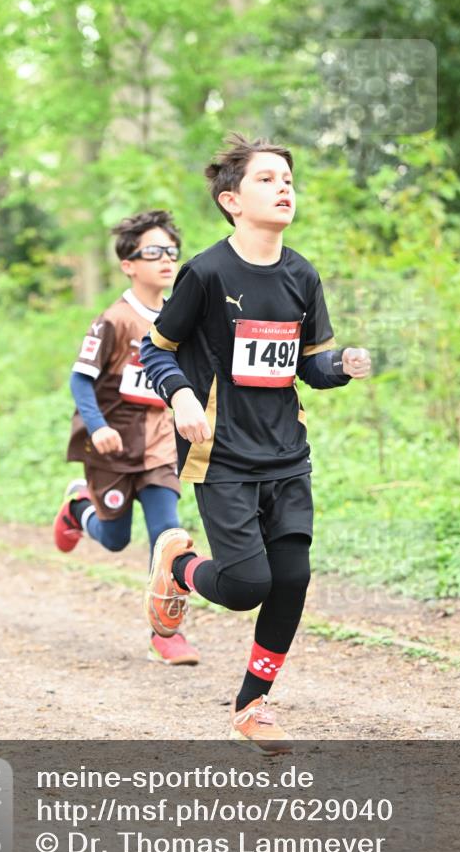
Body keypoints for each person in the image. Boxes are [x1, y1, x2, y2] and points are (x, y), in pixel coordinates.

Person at [140, 135, 371, 751]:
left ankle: (253, 703)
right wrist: (182, 396)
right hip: (224, 456)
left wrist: (343, 364)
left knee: (291, 577)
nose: (284, 187)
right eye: (267, 179)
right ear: (232, 200)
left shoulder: (301, 274)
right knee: (245, 588)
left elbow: (309, 369)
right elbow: (154, 350)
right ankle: (179, 566)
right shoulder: (207, 272)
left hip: (287, 455)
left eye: (287, 178)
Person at [54, 210, 199, 667]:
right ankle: (79, 507)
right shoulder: (113, 321)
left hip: (159, 446)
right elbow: (80, 381)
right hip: (112, 449)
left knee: (166, 538)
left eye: (171, 252)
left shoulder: (178, 319)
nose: (165, 260)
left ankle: (166, 632)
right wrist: (97, 426)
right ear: (128, 264)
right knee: (115, 539)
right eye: (152, 252)